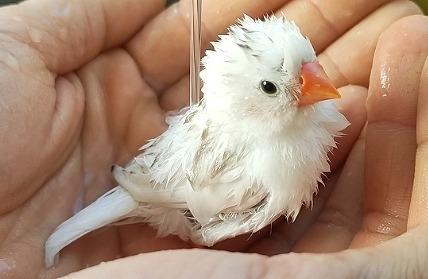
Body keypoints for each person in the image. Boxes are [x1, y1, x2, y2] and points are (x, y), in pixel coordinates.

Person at [0, 0, 427, 278]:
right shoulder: (260, 165)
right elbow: (179, 198)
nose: (314, 85)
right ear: (245, 100)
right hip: (160, 192)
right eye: (272, 88)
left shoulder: (296, 128)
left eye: (308, 67)